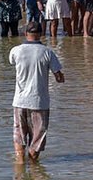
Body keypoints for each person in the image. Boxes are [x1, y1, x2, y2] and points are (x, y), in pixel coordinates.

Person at [8, 21, 64, 162]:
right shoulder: (48, 52)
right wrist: (60, 77)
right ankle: (35, 174)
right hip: (39, 103)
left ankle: (20, 170)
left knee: (19, 137)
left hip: (19, 102)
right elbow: (59, 77)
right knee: (37, 141)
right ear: (41, 34)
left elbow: (12, 62)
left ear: (26, 33)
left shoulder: (16, 51)